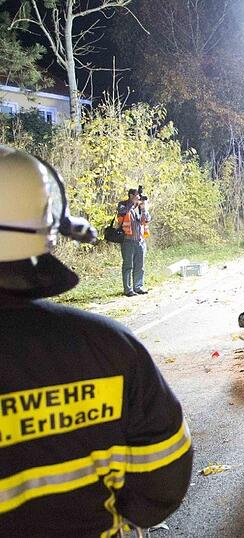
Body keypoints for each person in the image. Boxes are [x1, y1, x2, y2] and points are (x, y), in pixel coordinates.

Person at [0, 146, 193, 536]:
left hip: (138, 242)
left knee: (137, 268)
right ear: (47, 228)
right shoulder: (111, 348)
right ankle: (130, 287)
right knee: (130, 268)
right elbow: (160, 486)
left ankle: (135, 287)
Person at [117, 188, 151, 297]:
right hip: (127, 241)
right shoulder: (123, 204)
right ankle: (128, 290)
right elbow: (121, 213)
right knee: (128, 266)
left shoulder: (140, 207)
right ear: (131, 195)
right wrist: (132, 204)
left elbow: (147, 219)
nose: (139, 197)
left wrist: (144, 207)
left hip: (140, 241)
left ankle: (138, 287)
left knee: (139, 266)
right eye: (137, 195)